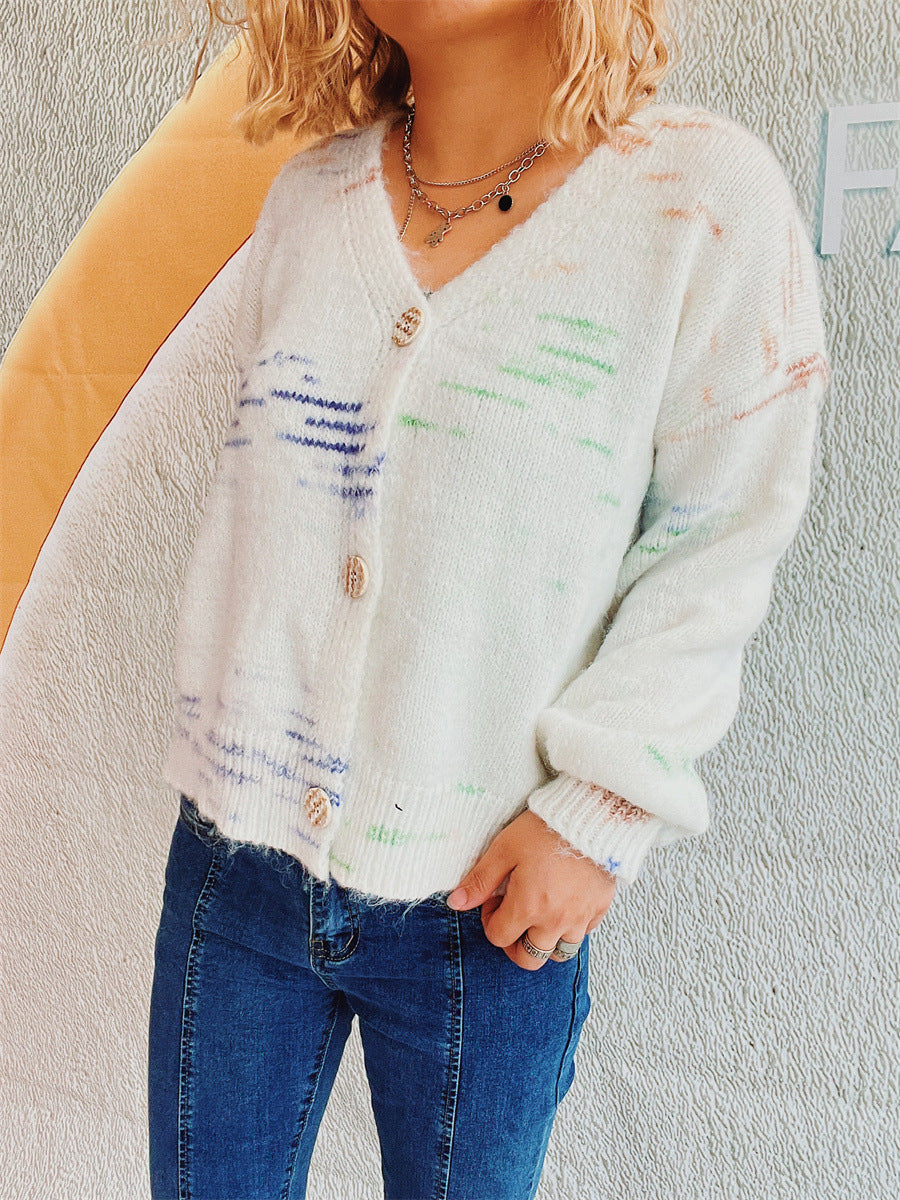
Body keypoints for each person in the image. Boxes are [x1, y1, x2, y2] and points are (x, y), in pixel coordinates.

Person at [147, 1, 831, 1197]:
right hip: (236, 867)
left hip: (493, 907)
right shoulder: (309, 203)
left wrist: (601, 808)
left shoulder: (700, 200)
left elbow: (720, 541)